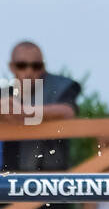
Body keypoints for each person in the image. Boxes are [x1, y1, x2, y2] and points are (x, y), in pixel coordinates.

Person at [0, 39, 80, 173]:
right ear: (12, 67)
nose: (29, 71)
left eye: (35, 66)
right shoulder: (6, 93)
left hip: (51, 178)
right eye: (22, 65)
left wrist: (25, 111)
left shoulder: (60, 87)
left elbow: (68, 111)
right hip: (12, 178)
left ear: (43, 66)